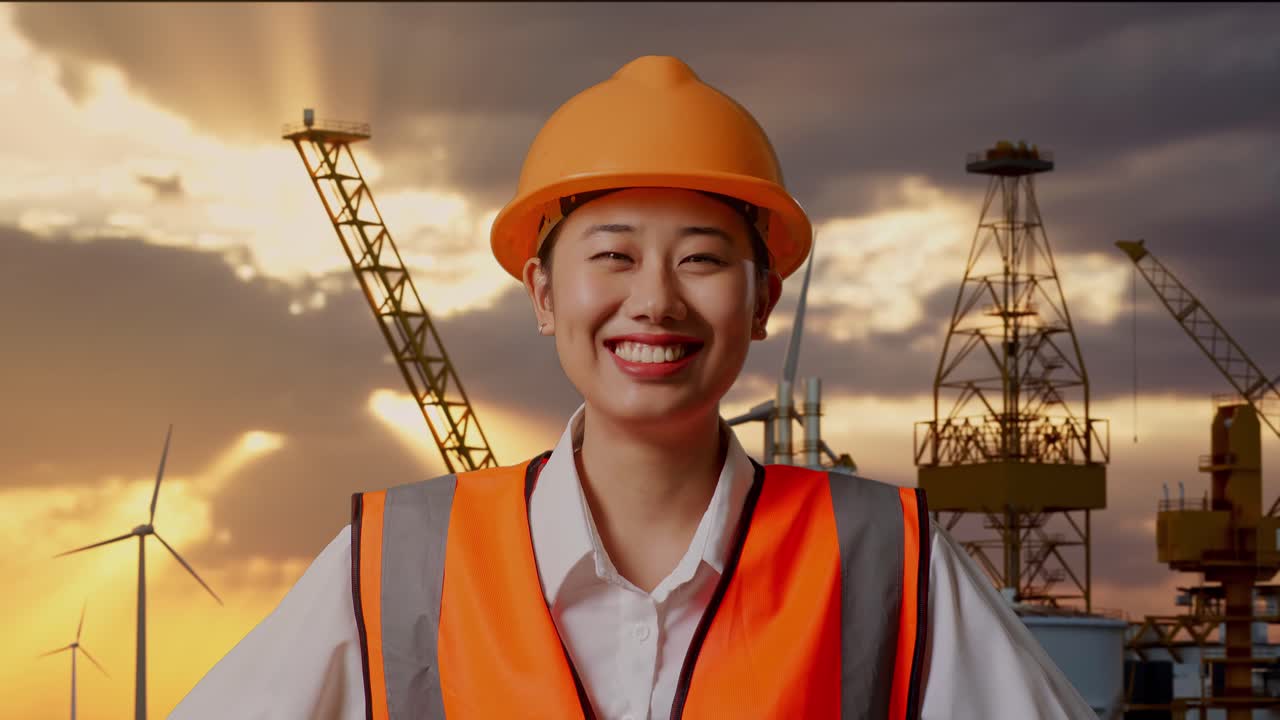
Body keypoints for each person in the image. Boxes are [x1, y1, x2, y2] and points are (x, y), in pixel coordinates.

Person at [173, 55, 1095, 720]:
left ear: (764, 299)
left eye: (701, 259)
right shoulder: (399, 565)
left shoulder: (884, 564)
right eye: (612, 255)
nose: (653, 301)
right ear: (542, 292)